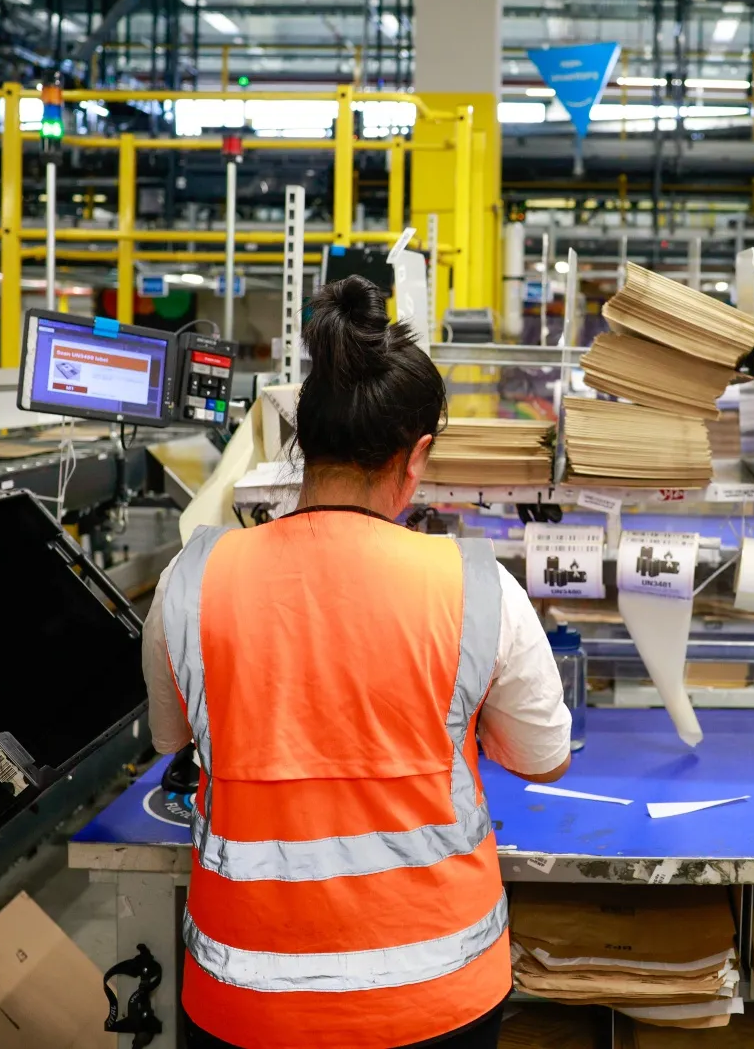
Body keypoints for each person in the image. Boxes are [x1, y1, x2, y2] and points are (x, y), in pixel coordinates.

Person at [142, 276, 572, 1049]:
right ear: (418, 456)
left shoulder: (191, 580)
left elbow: (172, 740)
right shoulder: (478, 588)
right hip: (438, 991)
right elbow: (544, 758)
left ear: (301, 440)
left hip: (247, 1000)